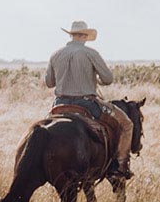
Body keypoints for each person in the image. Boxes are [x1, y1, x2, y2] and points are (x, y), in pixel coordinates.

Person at [44, 20, 132, 178]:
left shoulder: (55, 54)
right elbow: (108, 78)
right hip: (87, 103)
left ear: (71, 35)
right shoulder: (91, 53)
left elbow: (49, 83)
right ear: (84, 36)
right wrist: (94, 80)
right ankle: (120, 165)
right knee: (126, 124)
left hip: (59, 104)